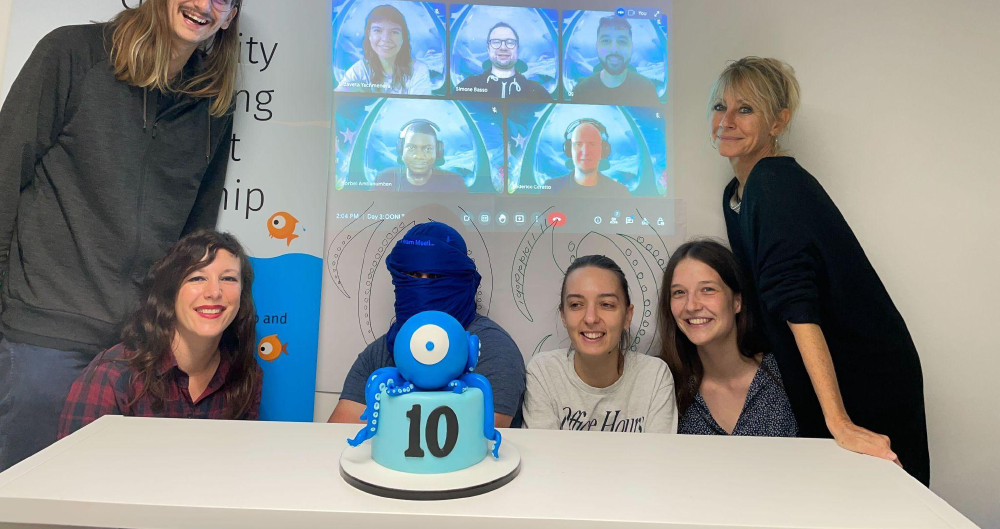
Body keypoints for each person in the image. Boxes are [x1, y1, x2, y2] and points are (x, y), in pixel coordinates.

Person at [0, 0, 245, 470]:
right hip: (45, 335)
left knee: (112, 497)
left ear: (229, 17)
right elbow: (5, 172)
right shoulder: (72, 53)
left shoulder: (213, 107)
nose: (203, 3)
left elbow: (195, 238)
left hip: (136, 347)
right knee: (27, 495)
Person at [711, 56, 929, 484]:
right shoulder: (736, 194)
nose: (727, 120)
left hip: (862, 372)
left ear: (778, 122)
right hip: (819, 375)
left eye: (746, 109)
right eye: (720, 107)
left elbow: (797, 307)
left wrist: (839, 421)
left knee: (884, 503)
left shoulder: (773, 182)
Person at [58, 230, 262, 436]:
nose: (214, 292)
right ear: (170, 292)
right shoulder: (113, 374)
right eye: (197, 278)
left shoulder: (244, 375)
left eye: (228, 278)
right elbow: (74, 457)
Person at [329, 222, 524, 427]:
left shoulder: (491, 347)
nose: (422, 284)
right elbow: (340, 432)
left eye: (435, 276)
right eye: (413, 275)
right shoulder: (380, 352)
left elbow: (478, 439)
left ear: (462, 281)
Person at [522, 255, 676, 433]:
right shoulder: (544, 373)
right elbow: (541, 449)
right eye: (576, 304)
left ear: (627, 315)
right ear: (563, 315)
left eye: (606, 304)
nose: (591, 318)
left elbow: (657, 451)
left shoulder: (654, 376)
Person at [659, 240, 797, 437]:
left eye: (707, 289)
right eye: (679, 292)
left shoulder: (786, 373)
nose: (691, 306)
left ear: (737, 301)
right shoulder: (665, 385)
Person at [337, 4, 432, 95]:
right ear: (369, 34)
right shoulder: (359, 70)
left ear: (403, 37)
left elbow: (422, 106)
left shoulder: (418, 71)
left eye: (394, 32)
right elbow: (337, 98)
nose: (385, 39)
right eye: (377, 30)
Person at [569, 16, 659, 106]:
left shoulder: (646, 88)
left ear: (631, 47)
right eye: (606, 41)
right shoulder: (581, 90)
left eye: (622, 41)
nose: (614, 49)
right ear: (597, 46)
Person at [454, 22, 550, 100]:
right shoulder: (469, 85)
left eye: (510, 42)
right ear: (488, 48)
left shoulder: (536, 90)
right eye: (496, 42)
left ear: (517, 48)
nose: (503, 47)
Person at [374, 119, 469, 192]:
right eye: (411, 148)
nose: (419, 156)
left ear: (438, 151)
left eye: (427, 149)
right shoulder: (384, 178)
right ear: (401, 150)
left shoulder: (455, 183)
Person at [543, 119, 630, 197]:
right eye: (579, 144)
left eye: (592, 144)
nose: (585, 152)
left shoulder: (620, 193)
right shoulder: (551, 189)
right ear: (569, 150)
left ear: (603, 150)